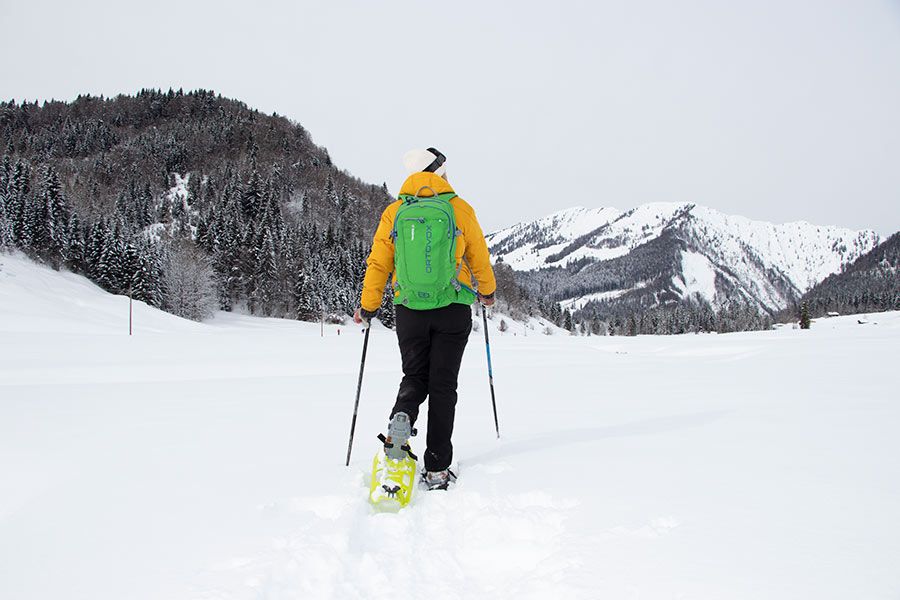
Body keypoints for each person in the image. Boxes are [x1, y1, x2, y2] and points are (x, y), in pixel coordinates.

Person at [354, 147, 496, 490]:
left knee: (415, 375)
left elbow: (379, 263)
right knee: (444, 385)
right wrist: (488, 291)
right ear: (441, 172)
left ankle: (400, 423)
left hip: (410, 310)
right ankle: (436, 469)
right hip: (453, 308)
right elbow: (478, 254)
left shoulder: (395, 211)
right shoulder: (460, 209)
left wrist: (368, 306)